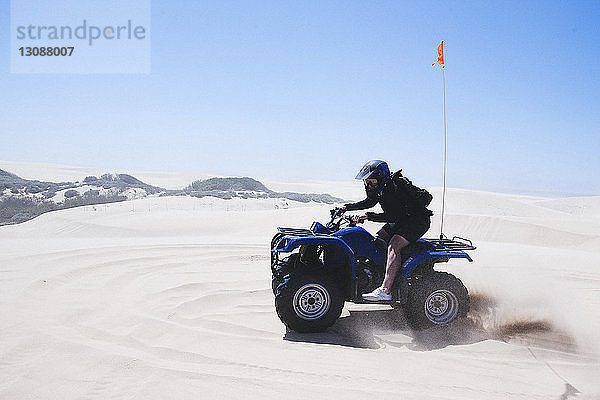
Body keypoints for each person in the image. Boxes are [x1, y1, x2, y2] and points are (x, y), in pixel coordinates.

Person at [342, 160, 433, 301]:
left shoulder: (395, 187)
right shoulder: (381, 188)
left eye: (371, 182)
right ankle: (380, 273)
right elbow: (370, 202)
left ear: (381, 178)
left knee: (393, 245)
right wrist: (347, 207)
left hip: (417, 221)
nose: (369, 185)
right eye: (367, 182)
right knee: (376, 241)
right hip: (402, 219)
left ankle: (385, 290)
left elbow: (392, 216)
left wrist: (367, 217)